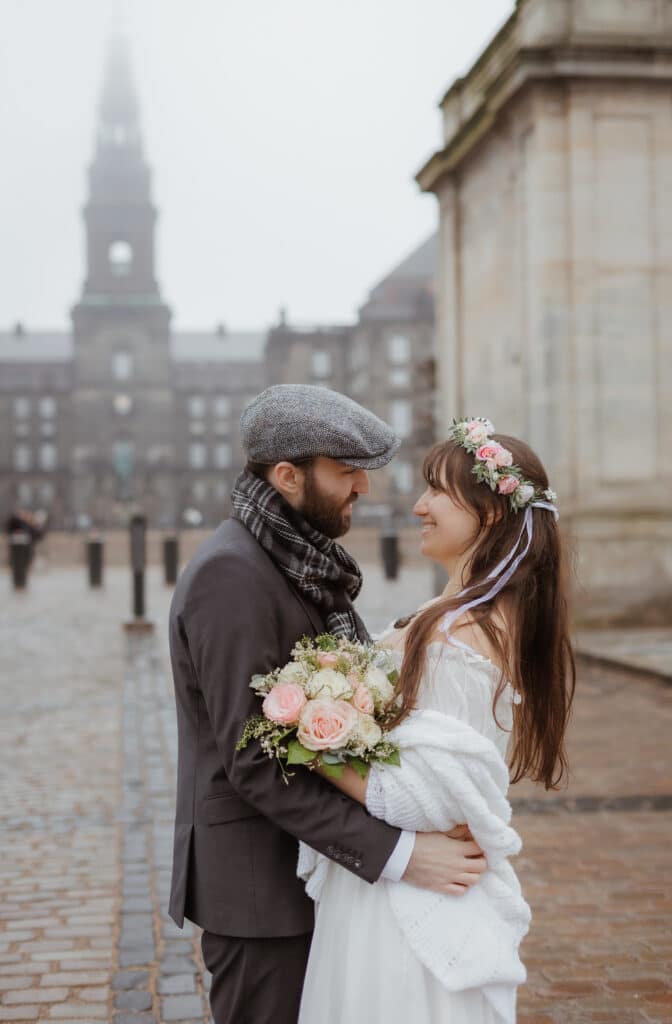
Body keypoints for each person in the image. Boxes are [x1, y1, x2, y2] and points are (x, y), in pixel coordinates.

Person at [167, 387, 488, 1024]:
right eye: (346, 471)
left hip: (316, 877)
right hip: (262, 895)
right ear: (287, 477)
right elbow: (256, 760)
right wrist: (401, 854)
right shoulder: (232, 574)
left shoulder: (297, 560)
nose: (362, 488)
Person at [298, 419, 575, 1024]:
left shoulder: (464, 634)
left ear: (492, 514)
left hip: (403, 907)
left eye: (437, 491)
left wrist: (308, 743)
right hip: (391, 889)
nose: (419, 505)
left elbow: (424, 800)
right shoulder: (452, 614)